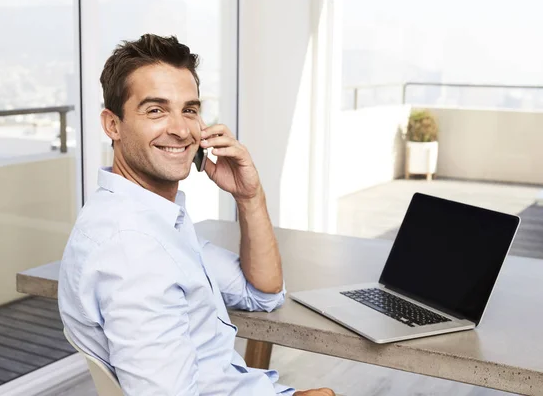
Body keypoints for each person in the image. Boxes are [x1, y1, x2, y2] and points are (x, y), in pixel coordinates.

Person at [58, 33, 335, 396]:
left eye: (189, 109)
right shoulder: (133, 250)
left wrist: (249, 196)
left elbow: (263, 294)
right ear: (112, 125)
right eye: (155, 110)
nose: (180, 129)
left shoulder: (152, 218)